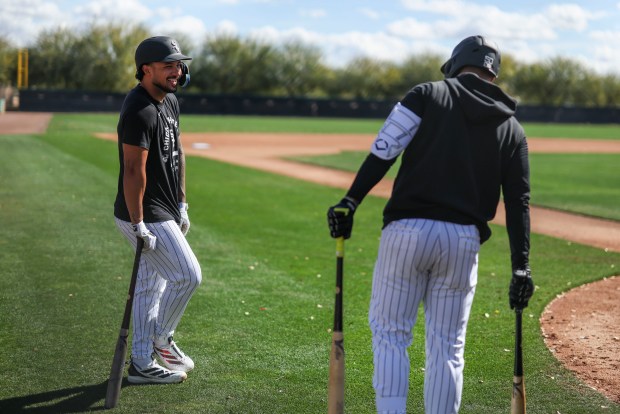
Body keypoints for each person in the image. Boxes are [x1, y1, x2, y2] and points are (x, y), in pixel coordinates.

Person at [327, 35, 534, 414]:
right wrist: (521, 266)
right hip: (463, 242)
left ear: (454, 66)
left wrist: (350, 201)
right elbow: (518, 202)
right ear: (493, 74)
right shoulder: (512, 128)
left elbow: (383, 151)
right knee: (448, 346)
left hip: (407, 232)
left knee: (391, 335)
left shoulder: (426, 94)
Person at [113, 36, 201, 384]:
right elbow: (133, 170)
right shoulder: (139, 109)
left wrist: (181, 201)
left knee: (152, 288)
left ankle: (140, 363)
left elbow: (177, 152)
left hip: (165, 207)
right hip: (145, 213)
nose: (177, 71)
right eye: (168, 65)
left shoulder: (170, 101)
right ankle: (161, 340)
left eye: (178, 64)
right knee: (188, 275)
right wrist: (138, 224)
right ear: (145, 69)